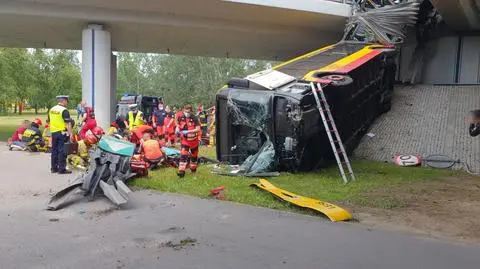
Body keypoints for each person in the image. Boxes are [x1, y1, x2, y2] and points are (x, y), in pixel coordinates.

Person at [47, 95, 73, 174]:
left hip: (54, 132)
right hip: (62, 133)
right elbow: (68, 123)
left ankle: (54, 168)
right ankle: (62, 169)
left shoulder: (51, 109)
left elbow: (49, 121)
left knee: (54, 150)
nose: (67, 103)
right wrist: (70, 134)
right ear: (64, 101)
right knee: (62, 151)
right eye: (66, 101)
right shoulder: (64, 110)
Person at [176, 104, 201, 177]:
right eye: (185, 111)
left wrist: (188, 131)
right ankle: (181, 171)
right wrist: (177, 129)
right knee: (183, 155)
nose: (187, 113)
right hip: (185, 140)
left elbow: (198, 129)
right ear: (183, 110)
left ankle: (193, 170)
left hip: (194, 141)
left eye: (188, 112)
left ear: (191, 111)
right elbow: (178, 125)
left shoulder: (194, 118)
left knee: (194, 156)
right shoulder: (181, 117)